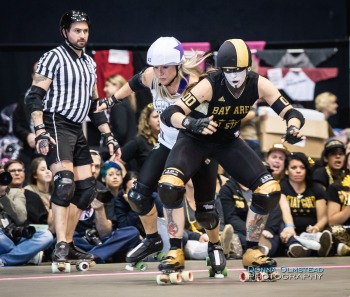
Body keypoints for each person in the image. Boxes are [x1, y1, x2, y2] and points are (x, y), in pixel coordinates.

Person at [158, 38, 306, 272]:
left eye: (239, 71)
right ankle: (175, 250)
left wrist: (294, 127)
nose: (235, 76)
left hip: (226, 141)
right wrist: (191, 123)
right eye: (229, 71)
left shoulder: (259, 83)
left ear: (249, 68)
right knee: (169, 185)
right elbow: (171, 113)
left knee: (269, 191)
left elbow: (289, 110)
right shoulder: (210, 83)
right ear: (222, 70)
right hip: (195, 139)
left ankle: (251, 251)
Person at [97, 37, 219, 271]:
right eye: (156, 67)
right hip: (166, 144)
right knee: (138, 195)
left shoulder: (193, 85)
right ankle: (156, 241)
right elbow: (133, 83)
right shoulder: (152, 76)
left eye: (165, 67)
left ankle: (215, 246)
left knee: (205, 210)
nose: (160, 73)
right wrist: (111, 100)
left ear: (178, 66)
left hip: (196, 147)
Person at [24, 10, 121, 265]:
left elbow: (94, 105)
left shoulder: (90, 63)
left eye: (85, 31)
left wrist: (109, 136)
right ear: (65, 32)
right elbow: (33, 96)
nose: (82, 35)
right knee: (65, 184)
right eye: (77, 30)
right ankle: (61, 244)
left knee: (87, 190)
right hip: (55, 123)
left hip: (77, 128)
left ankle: (67, 243)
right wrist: (40, 130)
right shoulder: (53, 58)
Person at [73, 150, 141, 263]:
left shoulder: (104, 191)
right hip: (78, 240)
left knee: (132, 232)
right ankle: (102, 254)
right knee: (64, 240)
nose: (93, 170)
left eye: (97, 166)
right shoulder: (69, 187)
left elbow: (105, 233)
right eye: (90, 165)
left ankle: (93, 255)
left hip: (100, 240)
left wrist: (99, 209)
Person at [279, 152, 332, 257]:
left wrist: (316, 228)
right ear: (286, 171)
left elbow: (323, 217)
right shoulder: (282, 187)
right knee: (283, 229)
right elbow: (285, 211)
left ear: (306, 170)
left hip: (312, 231)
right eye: (294, 168)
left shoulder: (316, 188)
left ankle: (308, 247)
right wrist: (290, 227)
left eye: (302, 167)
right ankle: (307, 248)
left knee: (327, 234)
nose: (298, 171)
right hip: (291, 231)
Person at [0, 171, 54, 266]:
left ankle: (5, 259)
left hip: (15, 237)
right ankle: (26, 255)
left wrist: (3, 195)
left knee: (46, 236)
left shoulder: (16, 192)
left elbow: (21, 218)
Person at [12, 61, 40, 173]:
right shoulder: (24, 98)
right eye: (39, 73)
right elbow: (16, 126)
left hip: (53, 152)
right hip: (30, 154)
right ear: (33, 76)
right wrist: (27, 135)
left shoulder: (57, 99)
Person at [4, 159, 48, 225]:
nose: (17, 173)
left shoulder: (34, 196)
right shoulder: (2, 195)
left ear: (24, 174)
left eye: (20, 170)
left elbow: (44, 221)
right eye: (12, 171)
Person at [121, 103, 160, 171]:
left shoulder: (171, 139)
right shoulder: (140, 141)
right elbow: (115, 161)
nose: (159, 120)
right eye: (155, 117)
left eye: (162, 116)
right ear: (147, 121)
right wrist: (128, 178)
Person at [103, 74, 137, 147]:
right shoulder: (126, 102)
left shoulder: (118, 105)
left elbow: (121, 132)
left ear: (117, 85)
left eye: (107, 85)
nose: (104, 89)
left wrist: (111, 144)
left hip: (122, 150)